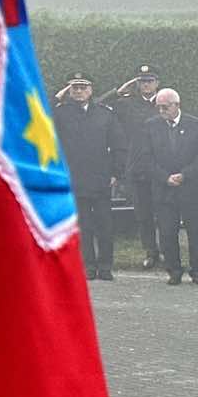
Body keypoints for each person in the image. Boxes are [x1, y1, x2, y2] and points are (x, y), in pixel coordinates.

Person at [53, 72, 124, 281]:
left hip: (101, 178)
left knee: (105, 226)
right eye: (74, 87)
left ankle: (105, 266)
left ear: (91, 90)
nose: (79, 91)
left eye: (83, 87)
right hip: (74, 179)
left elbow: (119, 145)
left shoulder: (105, 114)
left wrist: (116, 173)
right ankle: (88, 266)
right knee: (83, 226)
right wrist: (57, 96)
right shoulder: (60, 113)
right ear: (69, 90)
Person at [142, 87, 198, 286]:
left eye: (165, 107)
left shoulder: (197, 125)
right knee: (167, 232)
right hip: (164, 188)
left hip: (191, 187)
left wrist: (185, 175)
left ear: (177, 105)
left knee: (196, 231)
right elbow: (146, 157)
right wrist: (165, 178)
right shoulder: (150, 126)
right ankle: (174, 270)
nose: (162, 111)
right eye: (159, 107)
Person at [103, 64, 163, 269]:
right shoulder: (126, 104)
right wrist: (118, 92)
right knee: (143, 214)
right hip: (138, 168)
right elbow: (99, 108)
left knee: (165, 213)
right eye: (142, 81)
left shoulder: (165, 102)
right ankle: (151, 252)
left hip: (162, 167)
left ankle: (168, 250)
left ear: (157, 83)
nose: (146, 85)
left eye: (150, 81)